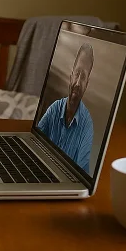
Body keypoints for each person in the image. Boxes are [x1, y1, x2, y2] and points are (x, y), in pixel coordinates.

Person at [37, 43, 94, 173]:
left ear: (87, 84)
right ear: (71, 76)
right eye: (77, 74)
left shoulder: (87, 125)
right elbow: (36, 140)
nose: (78, 83)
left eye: (83, 77)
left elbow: (81, 172)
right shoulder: (55, 108)